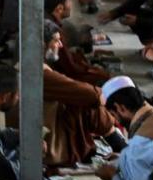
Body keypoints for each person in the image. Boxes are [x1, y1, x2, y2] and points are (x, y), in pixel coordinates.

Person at [43, 21, 125, 166]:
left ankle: (117, 142)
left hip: (47, 121)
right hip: (47, 137)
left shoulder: (34, 64)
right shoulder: (40, 73)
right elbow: (90, 94)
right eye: (56, 41)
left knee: (85, 97)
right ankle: (119, 144)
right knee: (89, 100)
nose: (60, 45)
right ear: (42, 44)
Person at [44, 0, 109, 86]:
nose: (71, 5)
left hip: (62, 73)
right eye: (69, 1)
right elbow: (71, 70)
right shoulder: (54, 31)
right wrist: (93, 71)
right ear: (59, 8)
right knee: (105, 80)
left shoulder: (52, 23)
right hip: (58, 79)